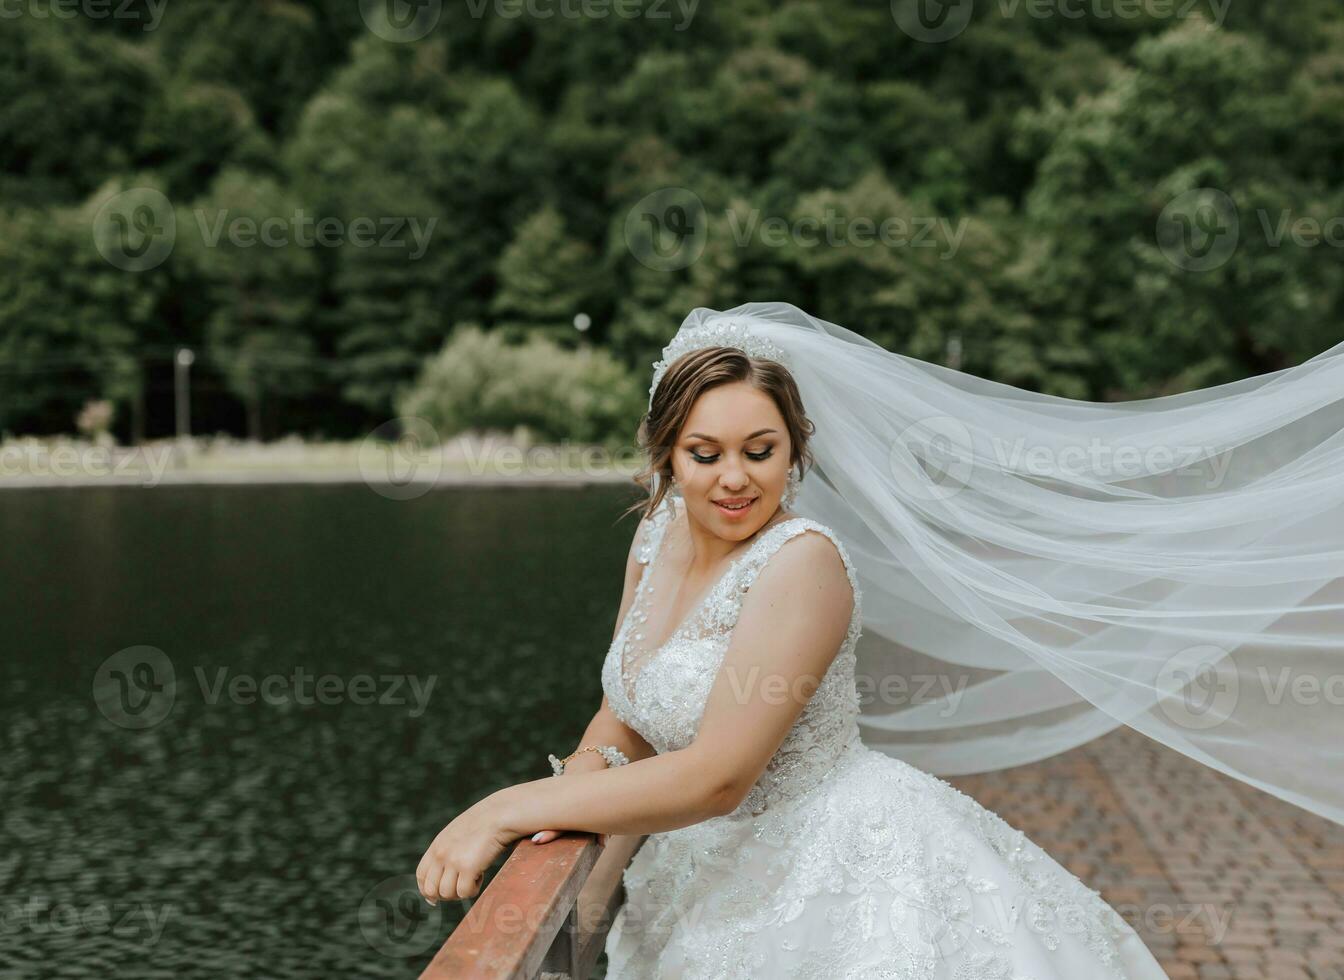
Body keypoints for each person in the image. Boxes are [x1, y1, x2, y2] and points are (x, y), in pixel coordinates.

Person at [416, 326, 1172, 977]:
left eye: (760, 450)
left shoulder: (801, 563)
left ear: (794, 451)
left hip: (831, 878)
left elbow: (719, 777)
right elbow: (625, 717)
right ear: (667, 455)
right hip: (692, 876)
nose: (735, 478)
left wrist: (509, 809)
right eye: (704, 453)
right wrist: (575, 907)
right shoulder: (656, 537)